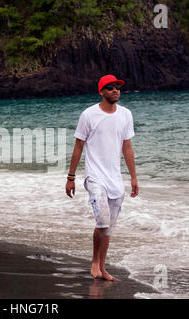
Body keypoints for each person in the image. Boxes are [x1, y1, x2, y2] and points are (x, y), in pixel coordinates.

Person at [65, 74, 138, 281]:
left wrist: (133, 177)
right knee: (103, 222)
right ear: (101, 92)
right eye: (110, 87)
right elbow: (78, 146)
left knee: (108, 229)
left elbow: (127, 147)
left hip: (115, 180)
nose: (115, 90)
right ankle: (95, 263)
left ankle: (102, 267)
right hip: (95, 177)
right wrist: (71, 177)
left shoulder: (125, 115)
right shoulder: (89, 115)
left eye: (117, 87)